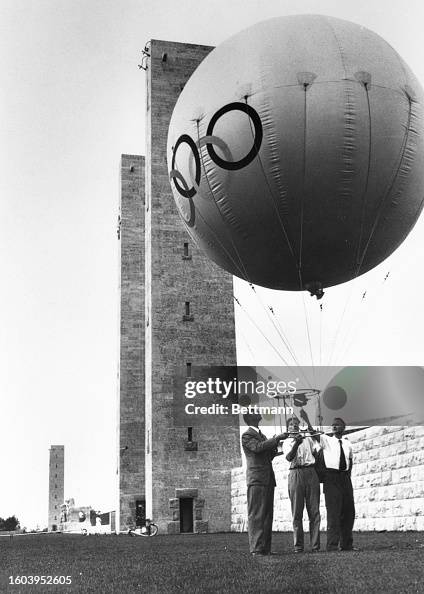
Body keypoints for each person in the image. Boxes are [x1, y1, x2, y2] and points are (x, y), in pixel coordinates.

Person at [241, 413, 288, 556]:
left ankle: (265, 548)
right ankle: (256, 548)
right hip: (257, 479)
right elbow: (257, 448)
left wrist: (275, 445)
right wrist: (276, 439)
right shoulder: (247, 435)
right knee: (257, 514)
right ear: (250, 418)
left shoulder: (261, 435)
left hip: (267, 479)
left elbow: (268, 454)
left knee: (267, 515)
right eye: (255, 412)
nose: (258, 413)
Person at [282, 414, 321, 553]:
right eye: (291, 424)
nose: (295, 426)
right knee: (297, 512)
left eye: (296, 424)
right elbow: (289, 457)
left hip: (310, 472)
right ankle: (298, 546)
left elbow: (317, 450)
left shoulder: (307, 438)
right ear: (288, 428)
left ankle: (315, 546)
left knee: (314, 511)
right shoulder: (287, 442)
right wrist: (296, 443)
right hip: (295, 473)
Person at [320, 417, 356, 551]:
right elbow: (313, 432)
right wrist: (306, 418)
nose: (334, 427)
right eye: (333, 425)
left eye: (338, 425)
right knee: (334, 512)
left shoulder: (347, 444)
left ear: (343, 428)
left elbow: (350, 460)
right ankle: (332, 545)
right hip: (331, 478)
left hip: (345, 478)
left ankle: (347, 544)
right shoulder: (327, 440)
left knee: (348, 511)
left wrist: (348, 474)